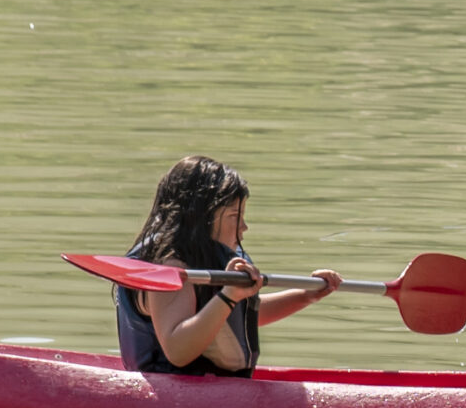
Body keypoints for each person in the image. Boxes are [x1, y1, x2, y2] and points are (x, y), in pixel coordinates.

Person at [113, 156, 342, 376]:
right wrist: (228, 297)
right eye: (235, 215)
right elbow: (178, 351)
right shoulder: (171, 266)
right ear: (202, 218)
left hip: (205, 392)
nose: (244, 227)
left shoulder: (203, 263)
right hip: (170, 393)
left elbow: (232, 319)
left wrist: (306, 296)